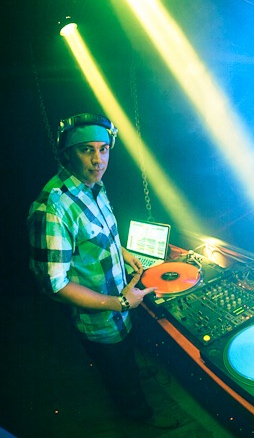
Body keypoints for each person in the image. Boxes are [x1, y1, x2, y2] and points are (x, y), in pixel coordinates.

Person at [27, 113, 178, 429]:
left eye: (103, 149)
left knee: (126, 361)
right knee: (119, 376)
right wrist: (119, 303)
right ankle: (141, 419)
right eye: (87, 150)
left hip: (121, 309)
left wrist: (122, 252)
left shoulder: (94, 184)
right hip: (100, 322)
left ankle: (133, 383)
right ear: (67, 153)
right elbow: (55, 285)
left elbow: (99, 233)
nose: (98, 160)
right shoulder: (52, 207)